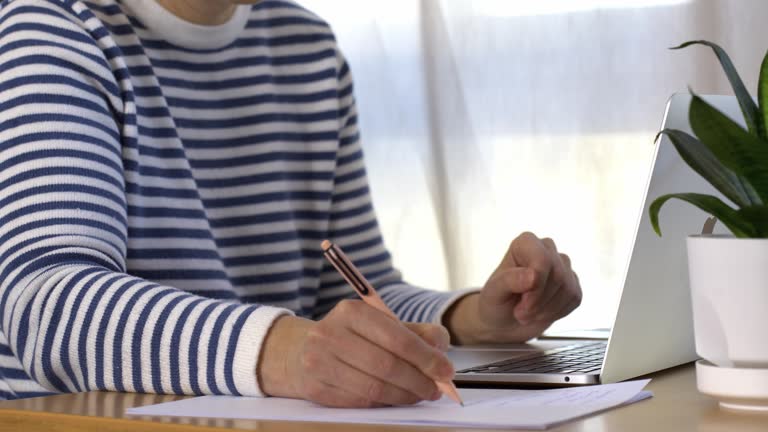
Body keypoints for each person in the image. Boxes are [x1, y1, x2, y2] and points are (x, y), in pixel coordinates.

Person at [0, 0, 582, 407]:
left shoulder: (307, 47)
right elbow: (47, 305)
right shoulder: (50, 28)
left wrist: (474, 319)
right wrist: (286, 352)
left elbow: (352, 292)